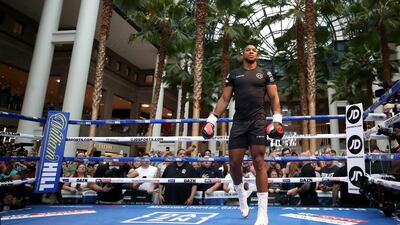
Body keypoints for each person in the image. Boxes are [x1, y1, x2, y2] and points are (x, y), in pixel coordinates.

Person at [202, 44, 284, 225]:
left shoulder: (265, 73)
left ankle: (263, 213)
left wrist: (277, 118)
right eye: (247, 49)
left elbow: (274, 97)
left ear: (257, 54)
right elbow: (225, 99)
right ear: (243, 54)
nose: (251, 51)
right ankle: (241, 194)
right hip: (239, 122)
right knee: (234, 164)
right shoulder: (234, 74)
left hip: (258, 121)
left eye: (254, 49)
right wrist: (212, 120)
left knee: (259, 162)